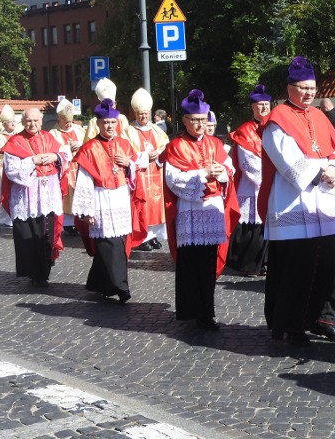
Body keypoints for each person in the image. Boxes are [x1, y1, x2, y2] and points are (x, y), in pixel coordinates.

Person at [260, 56, 335, 346]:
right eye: (303, 88)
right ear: (290, 88)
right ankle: (291, 325)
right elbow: (286, 159)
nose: (309, 93)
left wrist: (334, 168)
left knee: (331, 262)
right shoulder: (278, 119)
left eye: (312, 88)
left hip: (322, 202)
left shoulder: (320, 116)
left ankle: (324, 319)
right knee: (295, 268)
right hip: (293, 203)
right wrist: (319, 171)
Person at [162, 89, 239, 330]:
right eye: (194, 120)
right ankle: (189, 309)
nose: (199, 125)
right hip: (190, 210)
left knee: (207, 262)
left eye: (203, 121)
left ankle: (207, 312)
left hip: (212, 207)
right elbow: (172, 179)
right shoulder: (176, 146)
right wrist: (203, 174)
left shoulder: (216, 143)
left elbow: (230, 170)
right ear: (184, 120)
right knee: (189, 262)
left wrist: (222, 172)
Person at [73, 99, 144, 303]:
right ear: (98, 124)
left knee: (116, 242)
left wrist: (129, 163)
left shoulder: (124, 144)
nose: (110, 126)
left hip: (120, 198)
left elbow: (135, 172)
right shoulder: (89, 148)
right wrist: (87, 211)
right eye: (106, 123)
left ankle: (98, 282)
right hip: (100, 199)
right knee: (107, 243)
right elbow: (84, 181)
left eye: (113, 123)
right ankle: (121, 287)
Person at [0, 107, 68, 287]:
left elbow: (65, 155)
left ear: (41, 120)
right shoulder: (15, 142)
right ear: (22, 122)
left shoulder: (49, 137)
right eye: (28, 121)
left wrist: (54, 156)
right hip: (26, 196)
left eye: (36, 120)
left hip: (48, 194)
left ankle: (45, 270)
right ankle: (33, 273)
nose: (32, 124)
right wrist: (33, 160)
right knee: (28, 234)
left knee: (47, 233)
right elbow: (11, 170)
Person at [226, 84, 271, 276]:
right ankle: (246, 263)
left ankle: (263, 262)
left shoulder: (274, 127)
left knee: (265, 226)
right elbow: (248, 164)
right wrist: (270, 177)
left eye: (266, 105)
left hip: (270, 185)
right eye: (259, 105)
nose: (264, 108)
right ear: (253, 107)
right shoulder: (245, 130)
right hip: (250, 186)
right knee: (251, 226)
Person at [123, 88, 169, 252]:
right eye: (140, 114)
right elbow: (126, 153)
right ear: (135, 113)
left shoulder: (157, 130)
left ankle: (154, 236)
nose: (143, 117)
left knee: (156, 206)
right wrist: (144, 157)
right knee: (143, 206)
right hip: (140, 175)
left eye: (146, 113)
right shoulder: (128, 131)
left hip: (156, 173)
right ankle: (143, 238)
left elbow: (166, 147)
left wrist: (159, 154)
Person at [50, 99, 84, 236]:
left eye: (70, 121)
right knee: (65, 195)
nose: (69, 124)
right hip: (63, 170)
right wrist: (67, 149)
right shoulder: (53, 133)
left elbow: (88, 145)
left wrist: (80, 145)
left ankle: (80, 221)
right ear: (59, 119)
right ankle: (68, 224)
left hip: (79, 168)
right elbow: (53, 151)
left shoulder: (79, 130)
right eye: (65, 121)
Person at [0, 104, 17, 226]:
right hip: (4, 168)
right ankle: (7, 218)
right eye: (10, 122)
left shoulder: (19, 135)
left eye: (13, 122)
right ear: (4, 124)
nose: (13, 124)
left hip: (19, 168)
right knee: (6, 192)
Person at [83, 78, 129, 143]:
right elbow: (89, 144)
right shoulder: (93, 122)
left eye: (111, 104)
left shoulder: (122, 119)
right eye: (106, 105)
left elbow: (127, 140)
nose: (109, 107)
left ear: (115, 104)